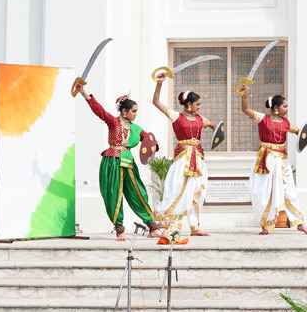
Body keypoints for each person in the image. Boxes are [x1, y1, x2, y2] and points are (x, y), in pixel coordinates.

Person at [75, 83, 161, 240]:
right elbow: (99, 111)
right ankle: (120, 229)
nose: (135, 114)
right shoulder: (113, 122)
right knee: (114, 194)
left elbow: (149, 140)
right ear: (124, 111)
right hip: (113, 161)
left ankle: (152, 226)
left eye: (136, 111)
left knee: (138, 192)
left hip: (128, 162)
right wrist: (83, 92)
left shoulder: (137, 129)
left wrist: (154, 146)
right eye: (133, 111)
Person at [239, 87, 307, 235]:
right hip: (267, 160)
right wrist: (244, 96)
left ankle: (299, 222)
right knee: (264, 191)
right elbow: (245, 110)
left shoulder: (285, 122)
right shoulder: (263, 118)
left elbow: (299, 132)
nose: (287, 108)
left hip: (282, 161)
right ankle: (266, 224)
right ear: (276, 108)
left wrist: (303, 134)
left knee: (290, 191)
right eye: (285, 106)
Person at [152, 74, 215, 237]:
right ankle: (168, 224)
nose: (199, 107)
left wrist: (215, 129)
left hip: (198, 160)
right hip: (183, 160)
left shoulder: (200, 118)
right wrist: (159, 84)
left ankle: (195, 227)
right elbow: (156, 102)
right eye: (197, 104)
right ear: (188, 104)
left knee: (197, 192)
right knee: (178, 189)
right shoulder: (176, 116)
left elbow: (213, 125)